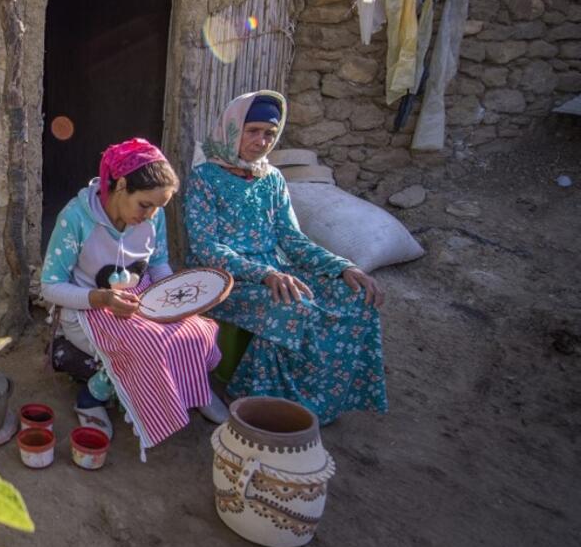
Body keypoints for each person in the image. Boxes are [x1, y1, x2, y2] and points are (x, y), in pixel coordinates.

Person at [184, 90, 388, 425]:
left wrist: (343, 267)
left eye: (269, 133)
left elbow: (292, 240)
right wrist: (263, 274)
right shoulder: (205, 179)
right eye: (253, 131)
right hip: (222, 278)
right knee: (291, 306)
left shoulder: (272, 179)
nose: (262, 141)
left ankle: (318, 401)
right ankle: (250, 395)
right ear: (233, 129)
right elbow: (207, 248)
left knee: (354, 297)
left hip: (276, 270)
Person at [41, 138, 228, 457]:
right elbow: (50, 285)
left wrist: (175, 300)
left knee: (196, 329)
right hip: (87, 308)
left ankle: (194, 387)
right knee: (145, 346)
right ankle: (92, 396)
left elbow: (157, 263)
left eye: (158, 207)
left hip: (139, 299)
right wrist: (102, 299)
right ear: (122, 185)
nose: (151, 214)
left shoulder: (153, 217)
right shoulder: (75, 218)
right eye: (145, 205)